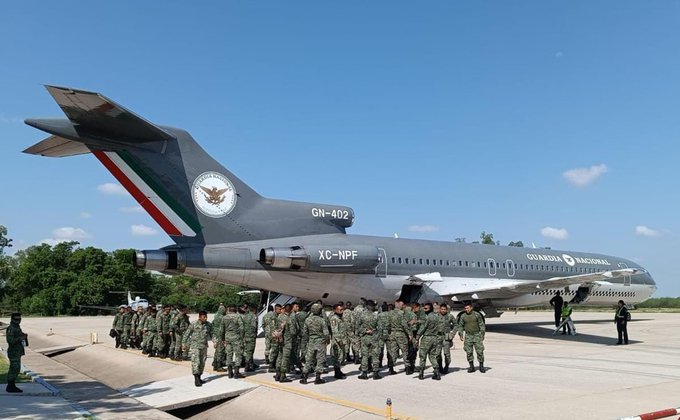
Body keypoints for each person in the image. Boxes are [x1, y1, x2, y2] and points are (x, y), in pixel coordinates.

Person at [300, 303, 330, 384]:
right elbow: (326, 333)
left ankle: (305, 378)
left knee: (309, 360)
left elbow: (305, 333)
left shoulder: (307, 320)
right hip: (320, 342)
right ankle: (317, 378)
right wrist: (328, 340)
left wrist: (306, 342)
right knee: (320, 360)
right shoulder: (322, 320)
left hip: (311, 342)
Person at [182, 310, 213, 387]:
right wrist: (183, 343)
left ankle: (199, 377)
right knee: (196, 362)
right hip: (195, 346)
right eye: (204, 317)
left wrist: (215, 341)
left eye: (206, 317)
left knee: (202, 363)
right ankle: (196, 379)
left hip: (204, 346)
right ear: (199, 317)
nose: (205, 318)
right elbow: (187, 334)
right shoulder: (193, 324)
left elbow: (212, 334)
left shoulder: (208, 325)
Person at [415, 303, 443, 380]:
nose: (424, 310)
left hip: (427, 338)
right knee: (432, 356)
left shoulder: (428, 317)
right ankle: (437, 373)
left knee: (422, 356)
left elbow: (423, 328)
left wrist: (417, 337)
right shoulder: (438, 317)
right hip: (435, 338)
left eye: (426, 308)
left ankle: (421, 374)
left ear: (430, 308)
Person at [356, 300, 382, 380]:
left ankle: (364, 373)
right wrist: (375, 333)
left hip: (365, 338)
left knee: (364, 356)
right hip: (374, 338)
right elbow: (380, 328)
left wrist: (365, 331)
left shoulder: (361, 315)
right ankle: (375, 373)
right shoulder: (376, 316)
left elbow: (357, 327)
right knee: (375, 356)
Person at [457, 302, 486, 373]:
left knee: (480, 351)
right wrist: (461, 334)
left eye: (467, 308)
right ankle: (471, 366)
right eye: (465, 308)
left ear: (471, 308)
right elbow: (460, 325)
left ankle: (481, 366)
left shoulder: (477, 315)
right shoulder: (463, 316)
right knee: (469, 352)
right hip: (468, 336)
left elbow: (481, 325)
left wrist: (482, 334)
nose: (466, 309)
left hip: (477, 335)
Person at [5, 313, 27, 393]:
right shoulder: (11, 328)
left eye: (19, 319)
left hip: (17, 351)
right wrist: (20, 338)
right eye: (16, 319)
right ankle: (10, 386)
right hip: (13, 352)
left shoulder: (17, 327)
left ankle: (12, 385)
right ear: (12, 319)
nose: (18, 321)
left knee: (16, 369)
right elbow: (10, 341)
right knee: (14, 368)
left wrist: (23, 336)